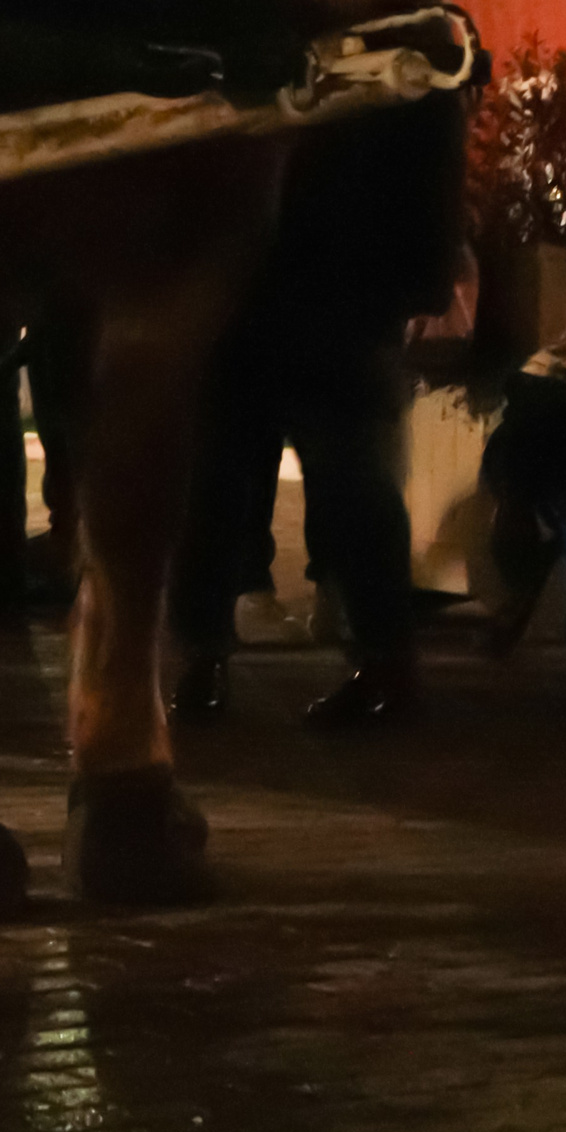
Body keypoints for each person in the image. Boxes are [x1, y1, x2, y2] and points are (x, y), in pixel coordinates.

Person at [171, 88, 469, 727]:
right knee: (224, 483)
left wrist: (419, 277)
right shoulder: (398, 31)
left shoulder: (388, 34)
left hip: (312, 289)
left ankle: (216, 659)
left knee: (331, 481)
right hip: (294, 288)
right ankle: (214, 656)